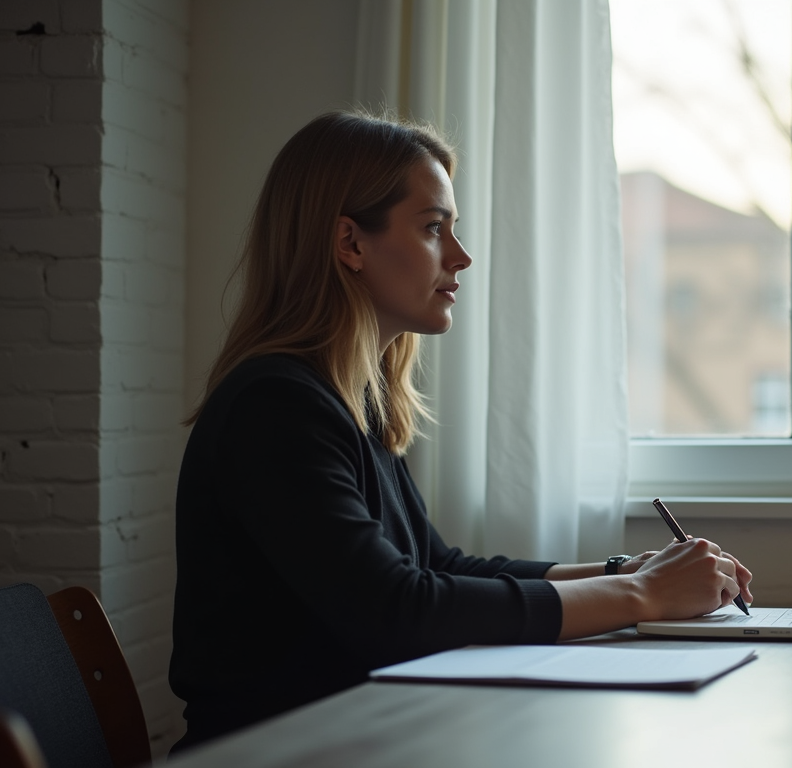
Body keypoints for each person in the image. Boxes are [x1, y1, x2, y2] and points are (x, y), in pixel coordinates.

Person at [168, 111, 754, 752]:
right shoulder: (275, 406)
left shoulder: (348, 401)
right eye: (433, 228)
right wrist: (640, 593)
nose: (461, 256)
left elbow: (436, 566)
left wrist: (624, 569)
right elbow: (398, 611)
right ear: (351, 243)